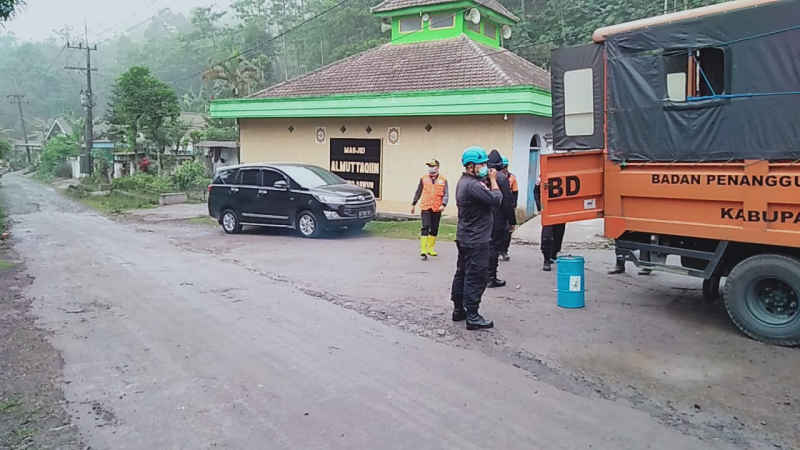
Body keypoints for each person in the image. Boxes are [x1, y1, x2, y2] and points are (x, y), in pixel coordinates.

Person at [450, 146, 502, 330]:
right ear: (470, 166)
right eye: (481, 164)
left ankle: (458, 309)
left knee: (462, 273)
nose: (485, 167)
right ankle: (472, 315)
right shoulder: (473, 185)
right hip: (477, 240)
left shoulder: (464, 182)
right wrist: (494, 181)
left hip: (465, 236)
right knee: (476, 276)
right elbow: (496, 199)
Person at [486, 149, 515, 287]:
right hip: (498, 217)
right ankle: (491, 277)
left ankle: (484, 275)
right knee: (494, 247)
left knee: (485, 246)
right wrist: (512, 221)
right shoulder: (502, 178)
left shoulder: (482, 176)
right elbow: (507, 202)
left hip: (484, 217)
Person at [411, 159, 448, 260]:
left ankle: (430, 248)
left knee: (435, 228)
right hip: (426, 206)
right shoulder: (423, 178)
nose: (431, 168)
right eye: (429, 166)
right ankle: (423, 250)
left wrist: (444, 204)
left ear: (437, 167)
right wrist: (414, 204)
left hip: (437, 207)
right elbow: (418, 191)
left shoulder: (443, 179)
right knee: (425, 226)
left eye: (433, 166)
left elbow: (446, 194)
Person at [499, 156, 518, 261]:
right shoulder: (496, 177)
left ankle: (504, 250)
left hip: (508, 206)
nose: (504, 168)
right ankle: (497, 249)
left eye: (505, 166)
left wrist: (513, 206)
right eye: (503, 166)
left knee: (508, 230)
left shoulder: (512, 178)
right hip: (498, 207)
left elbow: (515, 193)